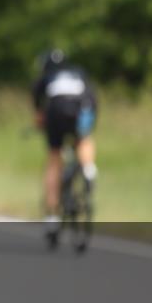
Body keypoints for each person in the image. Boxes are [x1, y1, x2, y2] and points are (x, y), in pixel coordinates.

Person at [31, 49, 98, 238]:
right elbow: (92, 96)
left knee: (54, 158)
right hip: (84, 107)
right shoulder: (79, 72)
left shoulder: (47, 77)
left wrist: (39, 118)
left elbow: (38, 103)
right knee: (84, 139)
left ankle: (52, 218)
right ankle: (88, 169)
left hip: (56, 110)